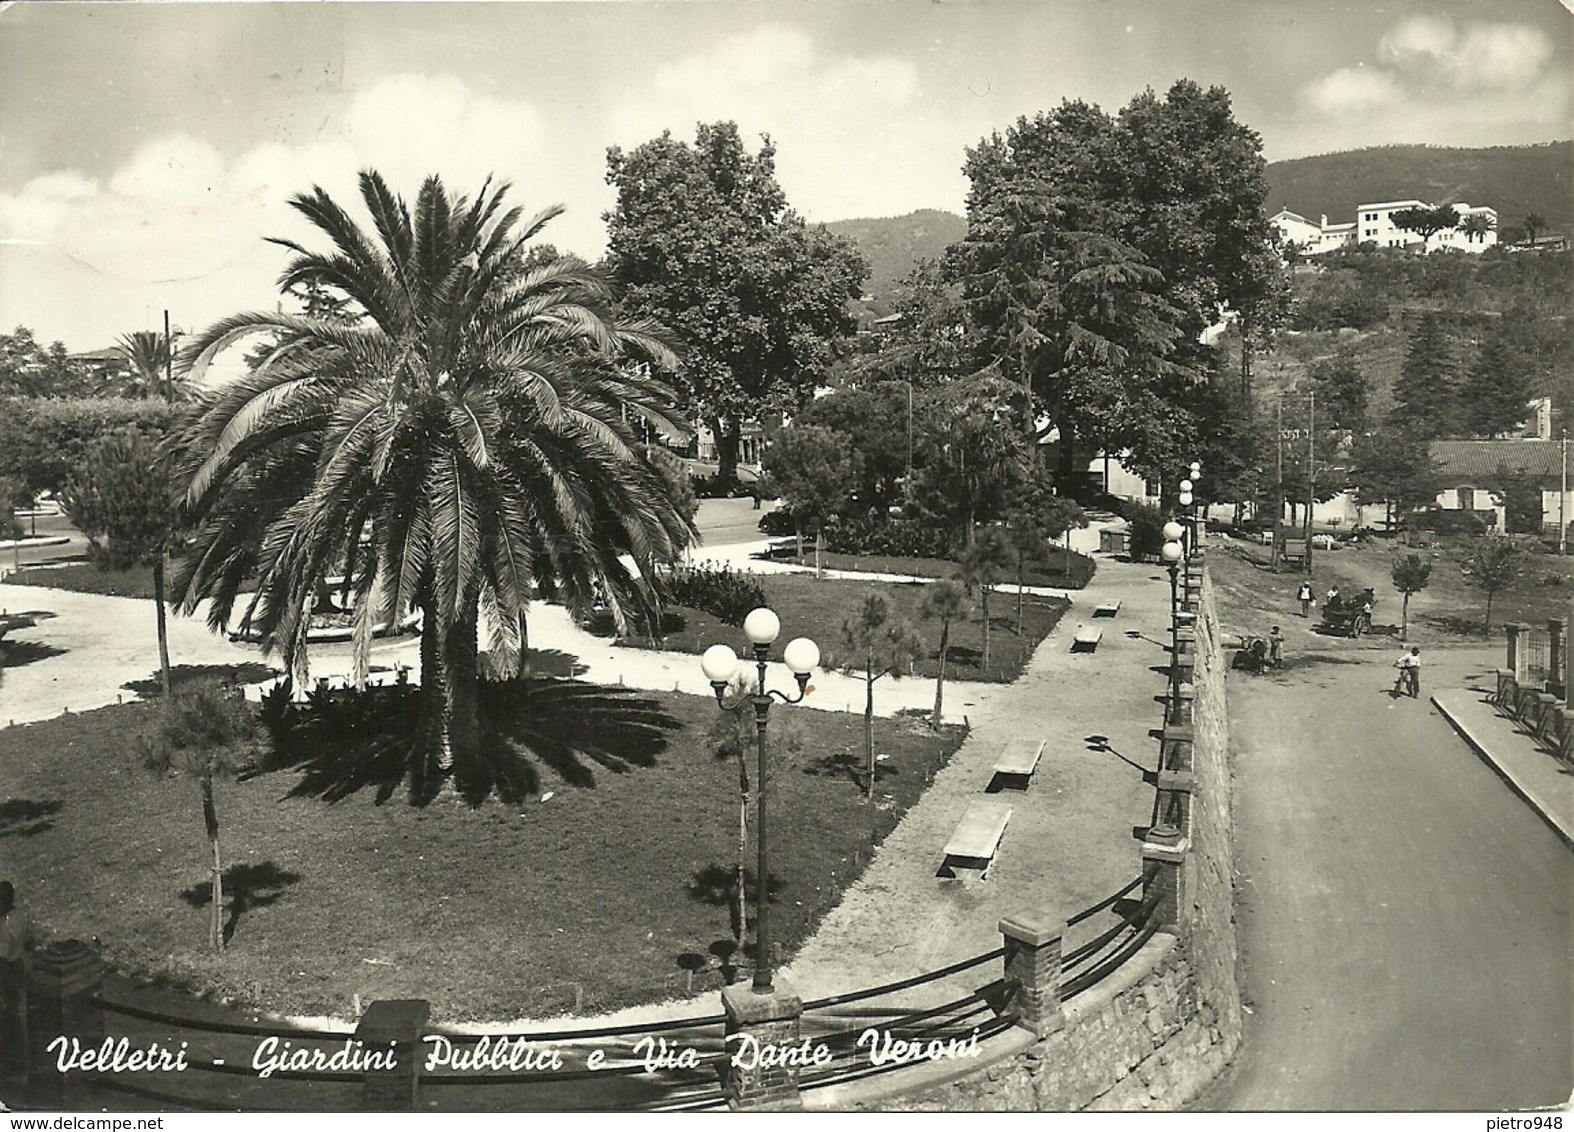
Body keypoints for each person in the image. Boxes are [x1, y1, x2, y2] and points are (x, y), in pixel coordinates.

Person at [0, 880, 30, 1073]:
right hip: (16, 966)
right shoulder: (19, 915)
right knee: (13, 1011)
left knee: (7, 1014)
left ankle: (11, 1059)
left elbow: (3, 953)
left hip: (5, 969)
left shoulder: (4, 925)